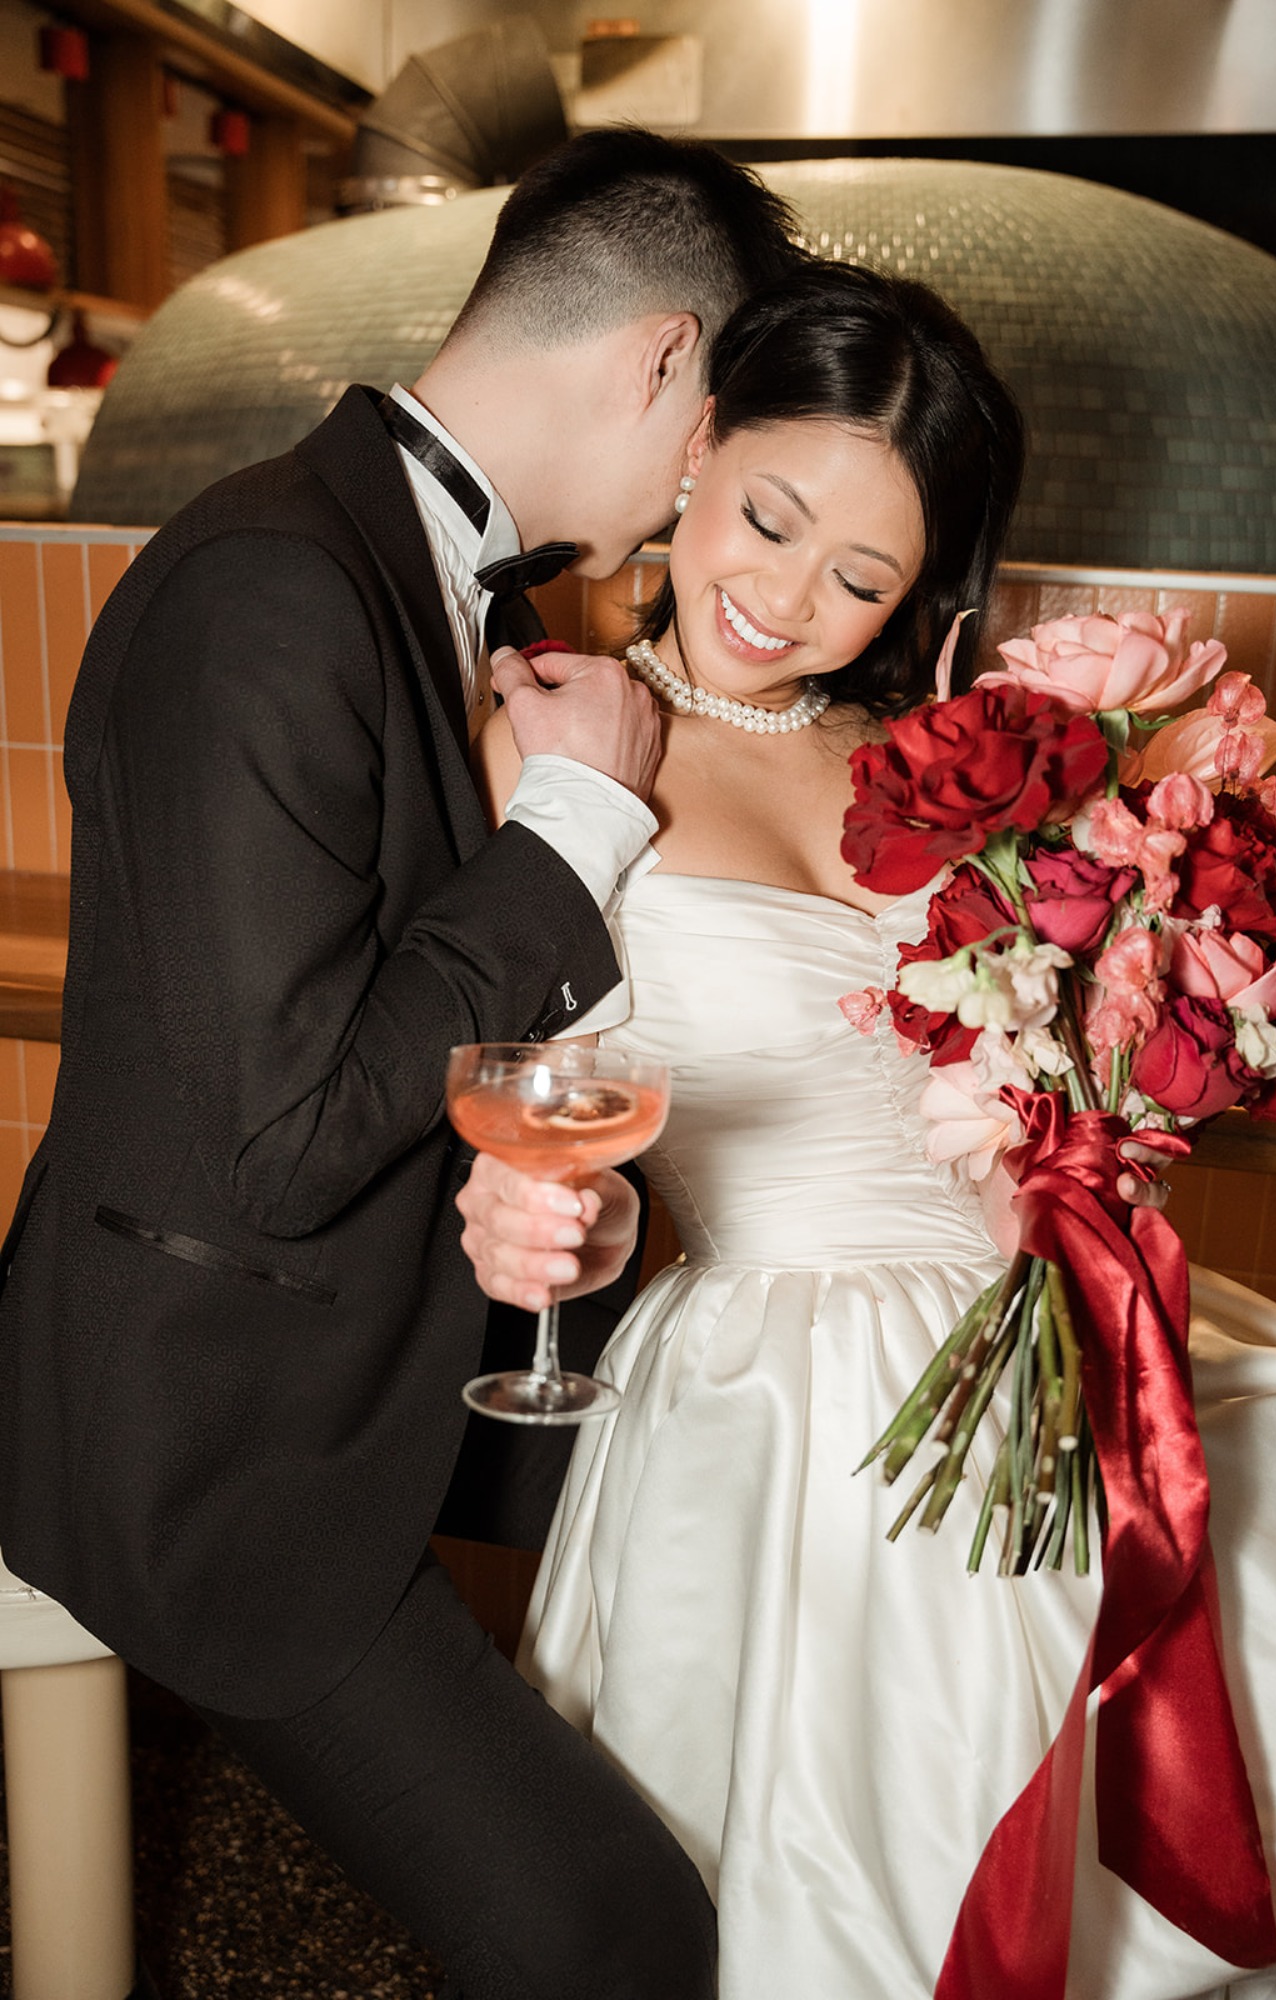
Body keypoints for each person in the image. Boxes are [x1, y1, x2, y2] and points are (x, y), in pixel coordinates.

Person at [463, 261, 1276, 1998]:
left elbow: (1035, 1064)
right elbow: (559, 1101)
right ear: (696, 450)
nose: (784, 599)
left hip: (1048, 1325)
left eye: (858, 576)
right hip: (783, 1387)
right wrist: (572, 1225)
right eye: (766, 522)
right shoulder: (560, 735)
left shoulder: (952, 762)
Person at [0, 129, 805, 2000]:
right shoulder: (269, 584)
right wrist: (575, 830)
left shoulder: (433, 578)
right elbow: (283, 1135)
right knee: (609, 1929)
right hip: (207, 1439)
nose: (698, 498)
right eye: (716, 439)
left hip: (369, 1356)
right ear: (661, 361)